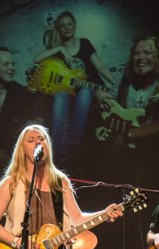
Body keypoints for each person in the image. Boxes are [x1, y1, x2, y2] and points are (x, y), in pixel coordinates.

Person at [33, 11, 115, 155]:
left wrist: (113, 83)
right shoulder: (57, 49)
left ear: (74, 25)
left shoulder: (84, 42)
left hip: (87, 88)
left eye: (69, 24)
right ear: (58, 28)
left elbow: (100, 66)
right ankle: (57, 149)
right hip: (68, 90)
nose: (67, 28)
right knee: (60, 95)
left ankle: (74, 141)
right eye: (63, 25)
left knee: (86, 91)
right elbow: (36, 58)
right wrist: (60, 49)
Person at [100, 35, 159, 150]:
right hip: (124, 154)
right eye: (136, 53)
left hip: (158, 154)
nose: (140, 57)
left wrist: (129, 135)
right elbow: (109, 95)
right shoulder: (124, 81)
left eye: (147, 52)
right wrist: (103, 97)